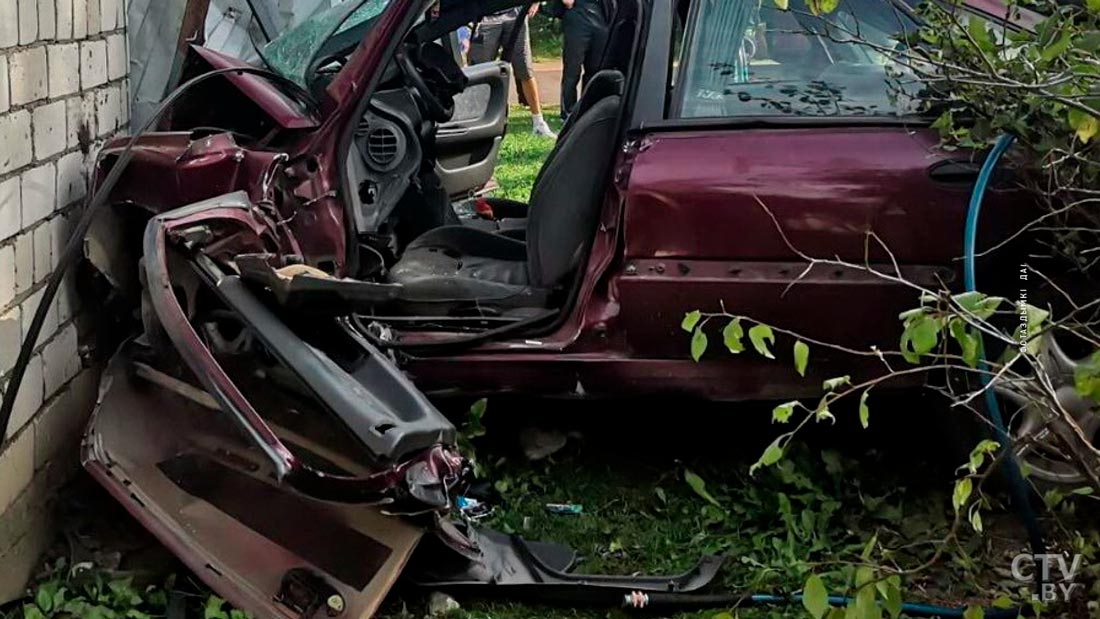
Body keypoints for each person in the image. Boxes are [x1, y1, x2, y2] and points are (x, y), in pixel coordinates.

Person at [469, 5, 558, 138]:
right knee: (480, 74)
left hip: (516, 14)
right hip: (485, 16)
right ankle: (476, 123)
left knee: (525, 69)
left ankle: (539, 123)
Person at [559, 0, 613, 119]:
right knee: (572, 68)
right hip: (577, 12)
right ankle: (568, 111)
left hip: (601, 13)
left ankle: (589, 107)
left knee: (596, 67)